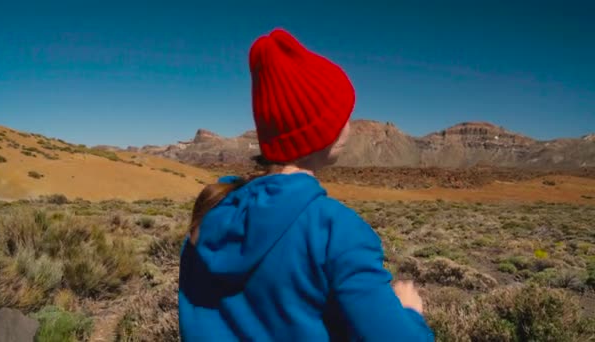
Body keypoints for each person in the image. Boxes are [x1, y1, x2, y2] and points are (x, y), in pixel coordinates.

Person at [178, 28, 434, 341]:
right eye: (342, 115)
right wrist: (410, 312)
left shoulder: (210, 216)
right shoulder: (335, 231)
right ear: (319, 134)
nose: (349, 125)